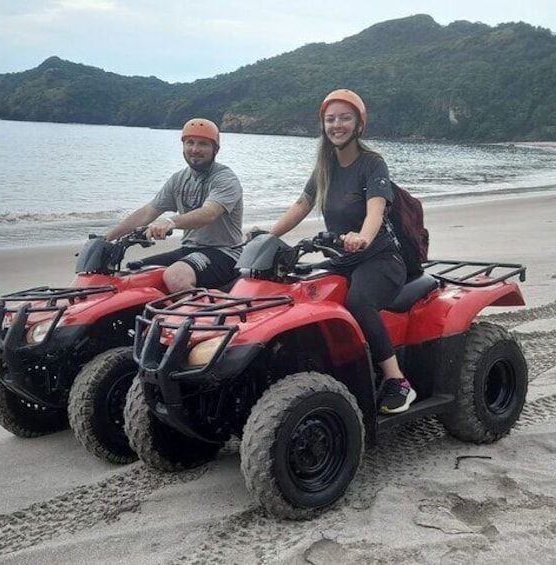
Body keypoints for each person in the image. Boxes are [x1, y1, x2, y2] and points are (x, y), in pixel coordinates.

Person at [257, 89, 416, 414]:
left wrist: (363, 237)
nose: (337, 125)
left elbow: (376, 210)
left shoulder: (372, 163)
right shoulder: (325, 167)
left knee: (359, 301)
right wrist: (265, 235)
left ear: (359, 124)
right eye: (331, 119)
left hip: (380, 259)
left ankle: (397, 380)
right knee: (303, 293)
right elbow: (302, 205)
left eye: (345, 118)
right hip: (343, 259)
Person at [106, 118, 243, 293]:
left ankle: (198, 319)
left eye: (203, 144)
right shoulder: (179, 179)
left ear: (215, 149)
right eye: (190, 143)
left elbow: (209, 213)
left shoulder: (224, 178)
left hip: (225, 254)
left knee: (176, 276)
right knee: (132, 274)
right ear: (183, 145)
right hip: (189, 250)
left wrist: (171, 222)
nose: (195, 149)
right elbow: (147, 212)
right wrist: (107, 240)